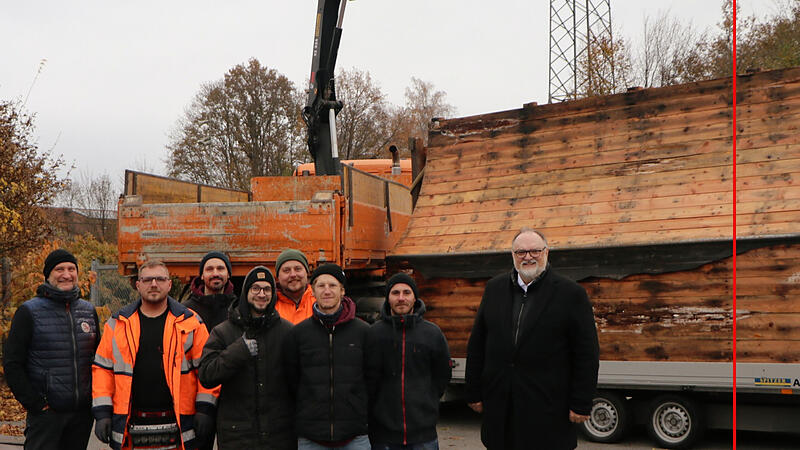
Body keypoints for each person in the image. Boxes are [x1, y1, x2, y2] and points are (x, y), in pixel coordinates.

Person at [465, 228, 599, 450]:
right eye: (521, 252)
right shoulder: (494, 289)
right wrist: (473, 391)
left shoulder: (570, 294)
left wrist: (582, 402)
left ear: (546, 252)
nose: (528, 257)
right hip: (501, 407)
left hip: (548, 408)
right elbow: (478, 343)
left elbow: (586, 353)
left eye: (534, 251)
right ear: (513, 255)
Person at [92, 260, 218, 450]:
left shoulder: (191, 323)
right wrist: (102, 413)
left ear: (169, 284)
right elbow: (103, 370)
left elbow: (208, 369)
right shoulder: (118, 324)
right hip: (132, 423)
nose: (153, 284)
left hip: (178, 423)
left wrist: (205, 408)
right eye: (147, 279)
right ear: (138, 285)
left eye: (160, 279)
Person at [3, 249, 99, 450]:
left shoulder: (88, 311)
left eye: (71, 269)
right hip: (46, 416)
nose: (66, 274)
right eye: (59, 269)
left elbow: (98, 360)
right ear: (48, 274)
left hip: (81, 416)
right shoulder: (29, 312)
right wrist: (36, 404)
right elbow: (12, 364)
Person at [198, 266, 295, 449]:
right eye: (255, 288)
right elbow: (206, 374)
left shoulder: (287, 332)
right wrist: (238, 351)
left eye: (267, 289)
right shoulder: (223, 332)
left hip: (279, 436)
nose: (261, 294)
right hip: (238, 436)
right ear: (246, 292)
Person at [282, 263, 370, 450]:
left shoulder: (363, 332)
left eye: (333, 285)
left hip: (355, 436)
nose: (327, 291)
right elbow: (291, 381)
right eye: (321, 286)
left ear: (343, 290)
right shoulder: (298, 335)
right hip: (311, 437)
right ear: (313, 290)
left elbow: (373, 379)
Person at [365, 273, 451, 450]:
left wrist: (426, 401)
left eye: (406, 292)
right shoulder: (374, 334)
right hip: (383, 435)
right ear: (388, 298)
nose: (401, 298)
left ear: (415, 297)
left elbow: (442, 375)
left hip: (423, 435)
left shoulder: (432, 334)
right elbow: (367, 379)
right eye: (395, 293)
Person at [182, 251, 237, 332]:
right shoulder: (186, 310)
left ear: (228, 274)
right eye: (209, 269)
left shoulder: (237, 309)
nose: (215, 274)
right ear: (202, 276)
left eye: (220, 269)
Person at [273, 249, 315, 324]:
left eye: (298, 269)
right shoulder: (270, 304)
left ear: (307, 272)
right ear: (278, 276)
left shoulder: (319, 300)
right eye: (286, 270)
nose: (293, 275)